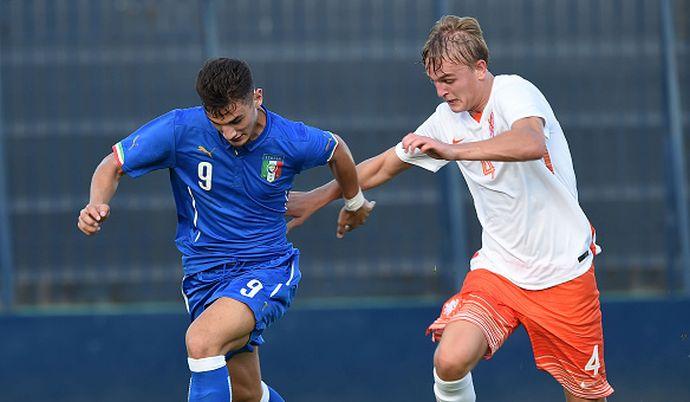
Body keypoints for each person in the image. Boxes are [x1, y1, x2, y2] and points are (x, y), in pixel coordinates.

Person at [286, 15, 613, 402]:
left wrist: (454, 151)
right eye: (435, 82)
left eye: (449, 80)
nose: (441, 91)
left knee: (586, 397)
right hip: (500, 272)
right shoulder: (447, 119)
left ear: (480, 68)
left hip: (563, 274)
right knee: (450, 359)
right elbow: (383, 165)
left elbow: (530, 143)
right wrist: (318, 198)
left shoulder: (514, 92)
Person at [77, 58, 374, 402]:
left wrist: (354, 203)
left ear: (257, 98)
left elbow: (336, 148)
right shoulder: (180, 129)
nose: (230, 133)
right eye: (219, 125)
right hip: (204, 277)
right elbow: (112, 165)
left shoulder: (290, 138)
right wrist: (94, 203)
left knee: (202, 341)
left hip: (266, 268)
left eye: (236, 120)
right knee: (246, 393)